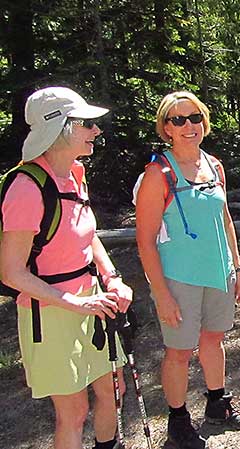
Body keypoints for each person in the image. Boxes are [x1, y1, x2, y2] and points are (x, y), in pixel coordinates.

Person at [0, 87, 133, 449]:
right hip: (50, 311)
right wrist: (77, 304)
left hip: (92, 300)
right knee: (73, 412)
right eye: (86, 124)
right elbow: (11, 273)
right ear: (59, 127)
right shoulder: (26, 188)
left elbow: (88, 237)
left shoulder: (75, 173)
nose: (96, 131)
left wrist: (112, 279)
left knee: (112, 387)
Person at [135, 91, 240, 449]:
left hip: (217, 273)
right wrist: (160, 294)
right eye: (178, 120)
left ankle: (217, 405)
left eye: (194, 118)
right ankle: (178, 420)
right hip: (180, 278)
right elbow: (145, 242)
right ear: (166, 128)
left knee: (213, 339)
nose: (188, 126)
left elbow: (225, 220)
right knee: (178, 351)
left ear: (203, 122)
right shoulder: (158, 174)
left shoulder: (213, 165)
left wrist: (237, 267)